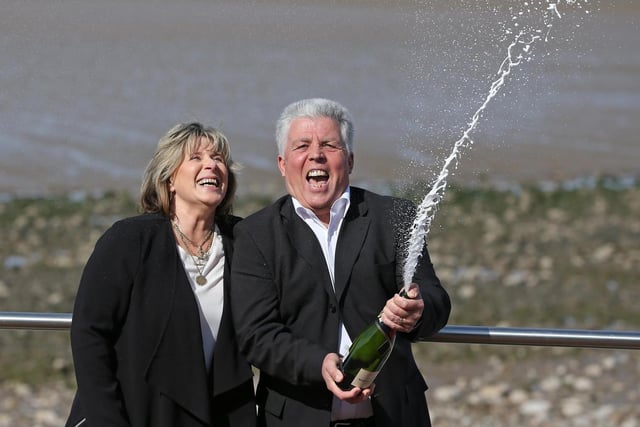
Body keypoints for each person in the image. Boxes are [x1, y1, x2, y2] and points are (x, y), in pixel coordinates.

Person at [230, 98, 451, 427]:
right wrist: (318, 363)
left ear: (349, 160)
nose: (315, 154)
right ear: (282, 163)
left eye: (329, 145)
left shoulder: (395, 217)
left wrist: (417, 311)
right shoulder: (255, 234)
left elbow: (436, 299)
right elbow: (256, 335)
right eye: (301, 145)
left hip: (394, 415)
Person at [65, 122, 257, 427]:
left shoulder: (245, 241)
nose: (212, 164)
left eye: (219, 158)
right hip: (133, 413)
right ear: (168, 179)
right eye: (196, 157)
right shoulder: (130, 240)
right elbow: (89, 332)